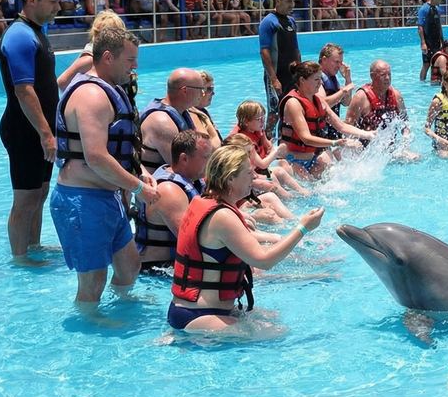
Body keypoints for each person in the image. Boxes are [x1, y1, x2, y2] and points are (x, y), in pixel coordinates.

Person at [49, 28, 160, 314]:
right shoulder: (91, 95)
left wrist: (138, 173)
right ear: (108, 57)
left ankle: (120, 305)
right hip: (82, 200)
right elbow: (96, 157)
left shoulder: (110, 91)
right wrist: (138, 188)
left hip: (106, 198)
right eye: (130, 59)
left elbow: (117, 148)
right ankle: (88, 323)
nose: (135, 66)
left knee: (130, 265)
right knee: (93, 279)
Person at [168, 144, 324, 332]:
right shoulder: (222, 216)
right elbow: (264, 261)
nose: (254, 178)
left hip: (196, 309)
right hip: (196, 315)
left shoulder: (206, 202)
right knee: (278, 334)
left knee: (272, 317)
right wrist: (303, 228)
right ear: (231, 179)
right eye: (248, 174)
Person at [0, 0, 62, 266]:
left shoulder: (37, 32)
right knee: (25, 198)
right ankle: (19, 257)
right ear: (31, 1)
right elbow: (24, 91)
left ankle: (33, 245)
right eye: (52, 2)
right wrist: (46, 133)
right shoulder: (20, 35)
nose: (58, 7)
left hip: (40, 129)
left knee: (41, 192)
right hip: (25, 129)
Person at [135, 130, 212, 273]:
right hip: (156, 273)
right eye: (206, 157)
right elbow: (195, 240)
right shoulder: (169, 191)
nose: (211, 162)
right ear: (184, 159)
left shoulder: (193, 181)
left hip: (170, 268)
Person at [279, 60, 373, 177]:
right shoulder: (293, 103)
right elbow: (306, 138)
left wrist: (368, 134)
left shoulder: (319, 101)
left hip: (312, 158)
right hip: (292, 160)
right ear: (302, 80)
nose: (320, 83)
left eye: (320, 79)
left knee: (334, 175)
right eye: (316, 80)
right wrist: (335, 143)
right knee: (307, 194)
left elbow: (342, 126)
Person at [228, 100, 308, 198]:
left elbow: (268, 145)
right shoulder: (244, 142)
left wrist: (271, 150)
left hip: (259, 168)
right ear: (246, 122)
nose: (263, 121)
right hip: (252, 173)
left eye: (263, 117)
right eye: (258, 119)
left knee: (282, 166)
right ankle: (288, 198)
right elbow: (262, 164)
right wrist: (276, 151)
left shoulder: (258, 129)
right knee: (273, 176)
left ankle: (303, 191)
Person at [345, 60, 419, 161]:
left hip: (388, 152)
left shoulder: (396, 96)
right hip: (365, 153)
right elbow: (348, 128)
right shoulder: (361, 98)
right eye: (383, 75)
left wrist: (405, 147)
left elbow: (405, 123)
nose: (387, 78)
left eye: (389, 74)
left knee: (415, 158)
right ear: (372, 76)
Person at [138, 69, 202, 174]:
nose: (202, 94)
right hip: (157, 186)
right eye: (200, 89)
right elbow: (184, 168)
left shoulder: (181, 112)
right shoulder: (162, 122)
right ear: (185, 90)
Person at [259, 0, 300, 137]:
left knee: (290, 110)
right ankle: (267, 142)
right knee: (274, 113)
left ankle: (285, 142)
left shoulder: (291, 22)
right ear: (277, 1)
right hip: (276, 77)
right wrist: (273, 79)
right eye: (288, 1)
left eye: (293, 1)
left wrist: (300, 72)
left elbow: (296, 49)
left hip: (291, 76)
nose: (292, 4)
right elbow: (264, 52)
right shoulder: (268, 22)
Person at [188, 70, 223, 148]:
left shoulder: (201, 110)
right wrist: (207, 120)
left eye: (212, 89)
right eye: (209, 89)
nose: (213, 93)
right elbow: (212, 146)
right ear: (199, 91)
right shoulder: (192, 114)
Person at [417, 0, 444, 81]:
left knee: (438, 62)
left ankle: (436, 81)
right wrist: (423, 43)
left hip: (436, 41)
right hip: (428, 41)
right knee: (426, 64)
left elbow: (439, 26)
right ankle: (422, 83)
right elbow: (420, 27)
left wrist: (442, 40)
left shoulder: (437, 9)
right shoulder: (424, 9)